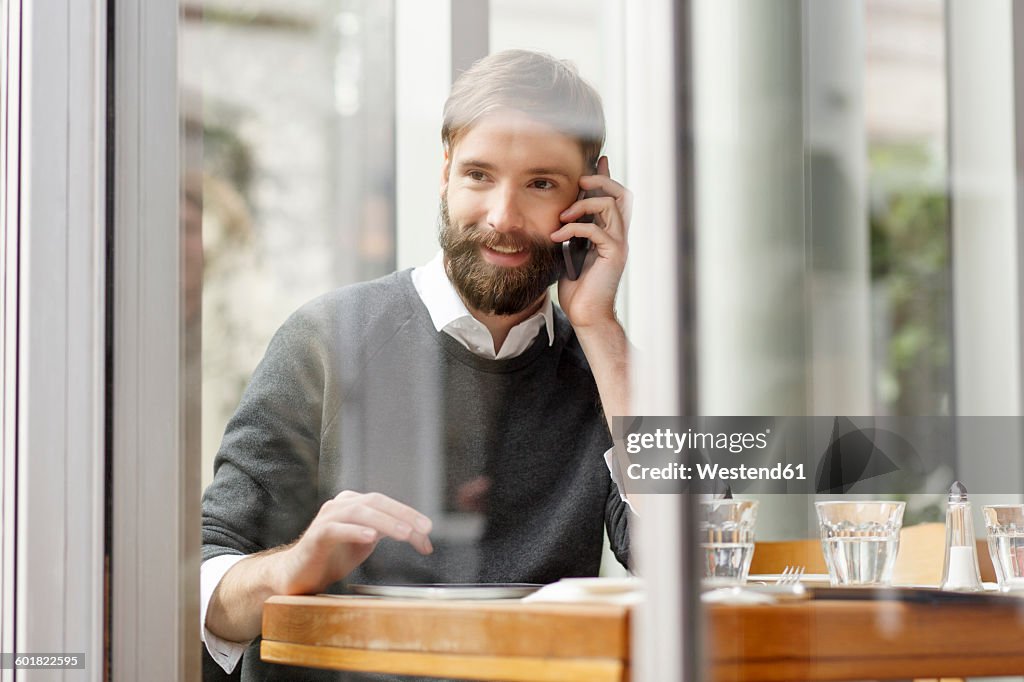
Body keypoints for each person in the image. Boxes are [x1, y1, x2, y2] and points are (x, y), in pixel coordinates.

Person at [200, 49, 635, 680]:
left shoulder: (609, 368)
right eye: (479, 175)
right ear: (445, 174)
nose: (502, 218)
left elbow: (698, 560)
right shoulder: (324, 339)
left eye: (540, 183)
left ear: (591, 193)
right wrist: (294, 567)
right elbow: (207, 584)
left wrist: (601, 328)